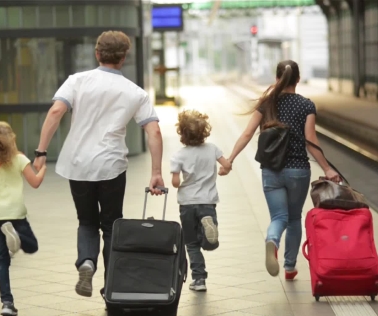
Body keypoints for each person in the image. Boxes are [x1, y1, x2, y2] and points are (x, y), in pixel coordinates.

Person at [33, 30, 165, 298]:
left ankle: (86, 262)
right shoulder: (135, 92)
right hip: (111, 166)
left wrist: (41, 151)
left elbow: (56, 111)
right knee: (111, 224)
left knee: (86, 221)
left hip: (78, 164)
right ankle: (111, 287)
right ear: (124, 57)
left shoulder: (78, 81)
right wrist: (156, 172)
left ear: (97, 53)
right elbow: (154, 132)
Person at [223, 60, 340, 280]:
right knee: (294, 218)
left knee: (279, 217)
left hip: (271, 170)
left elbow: (247, 134)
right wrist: (327, 168)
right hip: (298, 171)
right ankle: (289, 267)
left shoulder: (267, 104)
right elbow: (310, 140)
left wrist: (230, 159)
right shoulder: (306, 105)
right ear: (297, 79)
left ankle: (272, 240)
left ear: (277, 79)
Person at [0, 121, 43, 316]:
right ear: (11, 139)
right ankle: (16, 237)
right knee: (31, 246)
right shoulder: (19, 159)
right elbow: (35, 183)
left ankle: (7, 303)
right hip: (14, 214)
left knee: (1, 260)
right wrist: (43, 169)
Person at [170, 110, 231, 292]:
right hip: (208, 201)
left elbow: (175, 182)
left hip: (187, 203)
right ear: (205, 131)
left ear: (182, 133)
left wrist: (179, 181)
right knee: (208, 243)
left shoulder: (178, 155)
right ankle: (208, 235)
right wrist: (223, 171)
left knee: (191, 244)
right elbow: (226, 164)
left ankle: (199, 280)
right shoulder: (212, 149)